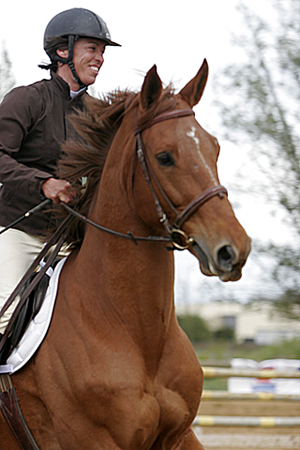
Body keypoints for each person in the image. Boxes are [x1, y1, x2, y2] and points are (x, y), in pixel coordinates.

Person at [0, 8, 120, 336]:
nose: (100, 58)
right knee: (5, 317)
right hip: (18, 232)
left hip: (69, 240)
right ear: (62, 52)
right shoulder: (27, 99)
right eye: (92, 49)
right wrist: (44, 184)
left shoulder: (98, 116)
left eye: (103, 52)